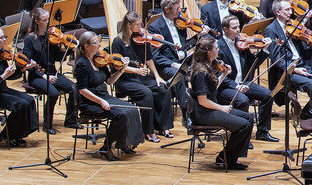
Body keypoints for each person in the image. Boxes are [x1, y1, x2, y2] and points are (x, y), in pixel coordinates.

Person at [187, 35, 255, 171]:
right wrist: (221, 108)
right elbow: (202, 100)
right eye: (216, 48)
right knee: (243, 125)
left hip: (209, 109)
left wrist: (224, 75)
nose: (218, 50)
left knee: (249, 118)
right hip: (203, 114)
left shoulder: (208, 67)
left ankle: (232, 156)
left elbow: (212, 89)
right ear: (209, 52)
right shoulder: (200, 73)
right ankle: (225, 158)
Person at [73, 31, 143, 159]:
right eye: (96, 43)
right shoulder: (82, 64)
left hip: (104, 97)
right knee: (120, 114)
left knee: (132, 108)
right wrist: (100, 101)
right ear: (86, 46)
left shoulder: (100, 59)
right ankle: (106, 147)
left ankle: (123, 143)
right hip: (90, 102)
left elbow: (110, 81)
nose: (99, 45)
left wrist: (122, 69)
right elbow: (82, 90)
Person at [111, 12, 175, 144]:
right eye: (138, 25)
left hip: (141, 76)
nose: (140, 28)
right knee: (146, 93)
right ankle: (148, 130)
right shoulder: (118, 42)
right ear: (129, 25)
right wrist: (136, 70)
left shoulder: (141, 38)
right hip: (125, 79)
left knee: (164, 88)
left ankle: (163, 126)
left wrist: (157, 76)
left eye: (141, 24)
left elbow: (149, 59)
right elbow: (118, 66)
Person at [0, 27, 40, 146]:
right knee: (21, 105)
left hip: (1, 90)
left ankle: (18, 134)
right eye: (1, 37)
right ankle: (6, 135)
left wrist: (22, 69)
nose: (5, 39)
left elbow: (10, 77)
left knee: (29, 100)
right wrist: (3, 76)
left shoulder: (1, 57)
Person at [216, 14, 276, 142]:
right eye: (234, 28)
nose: (238, 30)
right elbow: (217, 75)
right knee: (243, 100)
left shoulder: (242, 44)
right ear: (225, 29)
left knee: (268, 95)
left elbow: (253, 64)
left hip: (243, 83)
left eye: (239, 27)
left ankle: (262, 131)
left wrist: (265, 50)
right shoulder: (218, 47)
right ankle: (241, 137)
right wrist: (236, 86)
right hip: (226, 87)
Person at [23, 7, 78, 132]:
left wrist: (70, 49)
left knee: (74, 89)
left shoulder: (51, 37)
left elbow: (58, 57)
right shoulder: (30, 39)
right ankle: (47, 126)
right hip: (37, 76)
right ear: (37, 21)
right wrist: (45, 77)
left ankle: (70, 121)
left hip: (52, 73)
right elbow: (28, 63)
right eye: (44, 20)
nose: (47, 22)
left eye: (48, 19)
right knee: (53, 94)